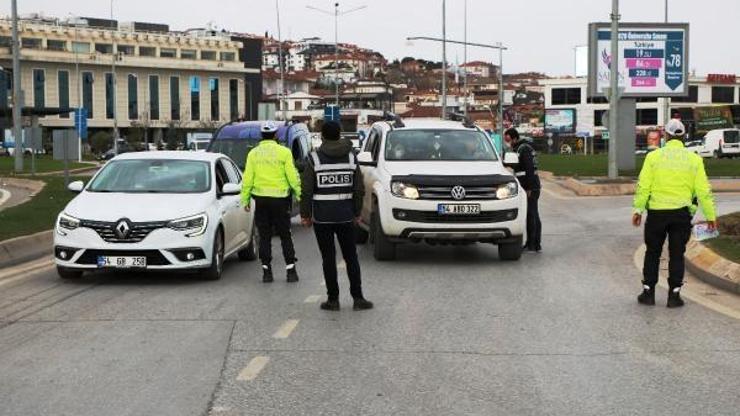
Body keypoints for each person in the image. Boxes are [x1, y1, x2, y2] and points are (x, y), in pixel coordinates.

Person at [633, 119, 717, 308]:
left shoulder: (653, 157)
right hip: (681, 215)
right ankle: (674, 296)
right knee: (677, 254)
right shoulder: (695, 159)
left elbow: (643, 186)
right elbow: (703, 191)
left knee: (653, 252)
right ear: (684, 136)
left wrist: (638, 210)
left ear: (666, 136)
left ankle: (648, 293)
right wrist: (711, 217)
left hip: (656, 214)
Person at [300, 121, 373, 311]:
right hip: (346, 217)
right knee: (351, 257)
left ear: (322, 136)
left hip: (322, 218)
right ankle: (358, 299)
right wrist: (357, 213)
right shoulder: (351, 157)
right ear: (340, 134)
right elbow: (358, 188)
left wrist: (306, 215)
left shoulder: (313, 158)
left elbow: (307, 190)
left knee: (329, 258)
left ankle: (333, 300)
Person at [241, 121, 302, 283]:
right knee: (285, 235)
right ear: (275, 135)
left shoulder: (253, 154)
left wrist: (245, 199)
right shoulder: (284, 152)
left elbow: (247, 179)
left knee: (265, 236)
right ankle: (291, 271)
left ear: (262, 135)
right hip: (281, 200)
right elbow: (292, 176)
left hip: (260, 200)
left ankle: (266, 272)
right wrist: (300, 195)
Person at [505, 128, 542, 252]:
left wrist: (529, 188)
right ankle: (535, 244)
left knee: (531, 215)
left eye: (508, 139)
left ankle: (533, 244)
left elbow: (529, 170)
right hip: (530, 185)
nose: (508, 142)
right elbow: (519, 166)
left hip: (530, 187)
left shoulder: (523, 149)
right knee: (533, 214)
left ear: (514, 138)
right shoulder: (523, 148)